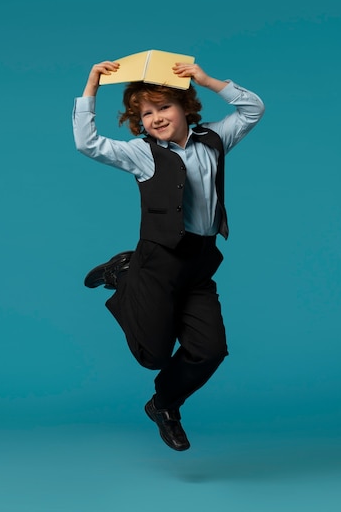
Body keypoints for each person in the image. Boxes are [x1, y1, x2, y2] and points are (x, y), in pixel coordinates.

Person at [72, 59, 265, 451]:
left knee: (209, 351)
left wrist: (207, 80)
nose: (156, 118)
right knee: (152, 355)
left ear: (185, 109)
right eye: (146, 113)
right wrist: (92, 83)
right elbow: (87, 143)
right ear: (137, 121)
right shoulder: (142, 155)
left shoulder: (213, 139)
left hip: (199, 263)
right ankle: (123, 274)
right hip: (158, 263)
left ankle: (163, 405)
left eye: (164, 107)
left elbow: (253, 108)